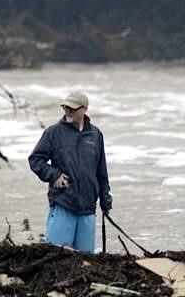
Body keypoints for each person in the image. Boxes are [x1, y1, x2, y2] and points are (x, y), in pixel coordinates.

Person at [28, 90, 112, 252]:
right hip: (63, 203)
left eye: (72, 108)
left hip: (88, 208)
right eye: (66, 107)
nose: (68, 111)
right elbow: (35, 160)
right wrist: (54, 175)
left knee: (86, 260)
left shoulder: (95, 135)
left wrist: (105, 199)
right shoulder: (53, 133)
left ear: (85, 109)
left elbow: (102, 172)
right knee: (56, 256)